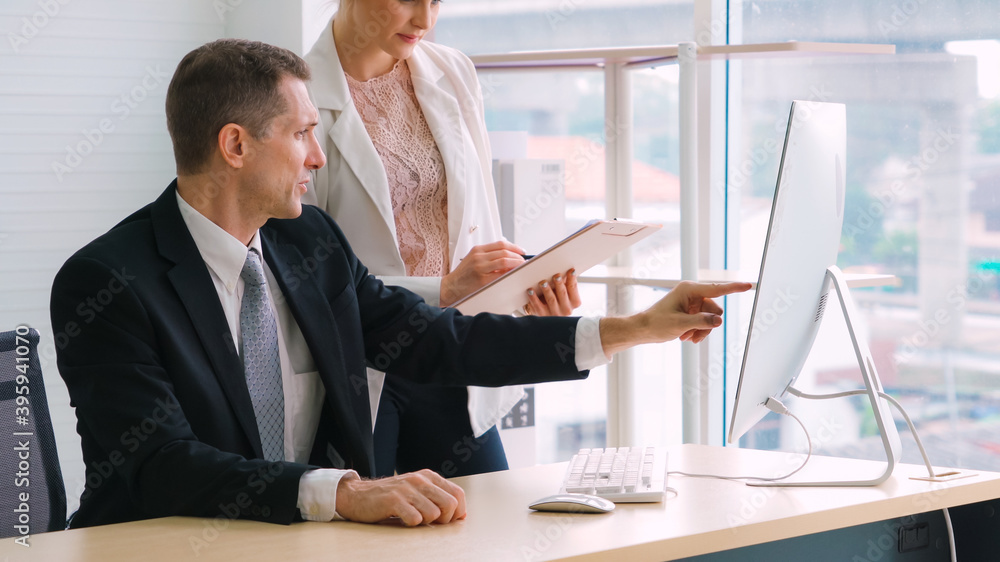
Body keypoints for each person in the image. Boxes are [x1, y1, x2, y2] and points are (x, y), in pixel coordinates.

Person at [50, 38, 750, 529]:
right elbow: (161, 463)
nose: (316, 155)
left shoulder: (309, 242)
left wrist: (634, 329)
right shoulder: (106, 282)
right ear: (235, 146)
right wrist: (345, 494)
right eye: (300, 133)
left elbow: (437, 344)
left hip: (302, 542)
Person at [303, 0, 581, 478]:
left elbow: (480, 214)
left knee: (487, 528)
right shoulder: (298, 93)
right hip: (363, 365)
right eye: (407, 0)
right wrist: (444, 288)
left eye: (436, 1)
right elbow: (304, 270)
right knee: (368, 543)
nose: (424, 20)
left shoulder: (452, 71)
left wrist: (520, 291)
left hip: (454, 347)